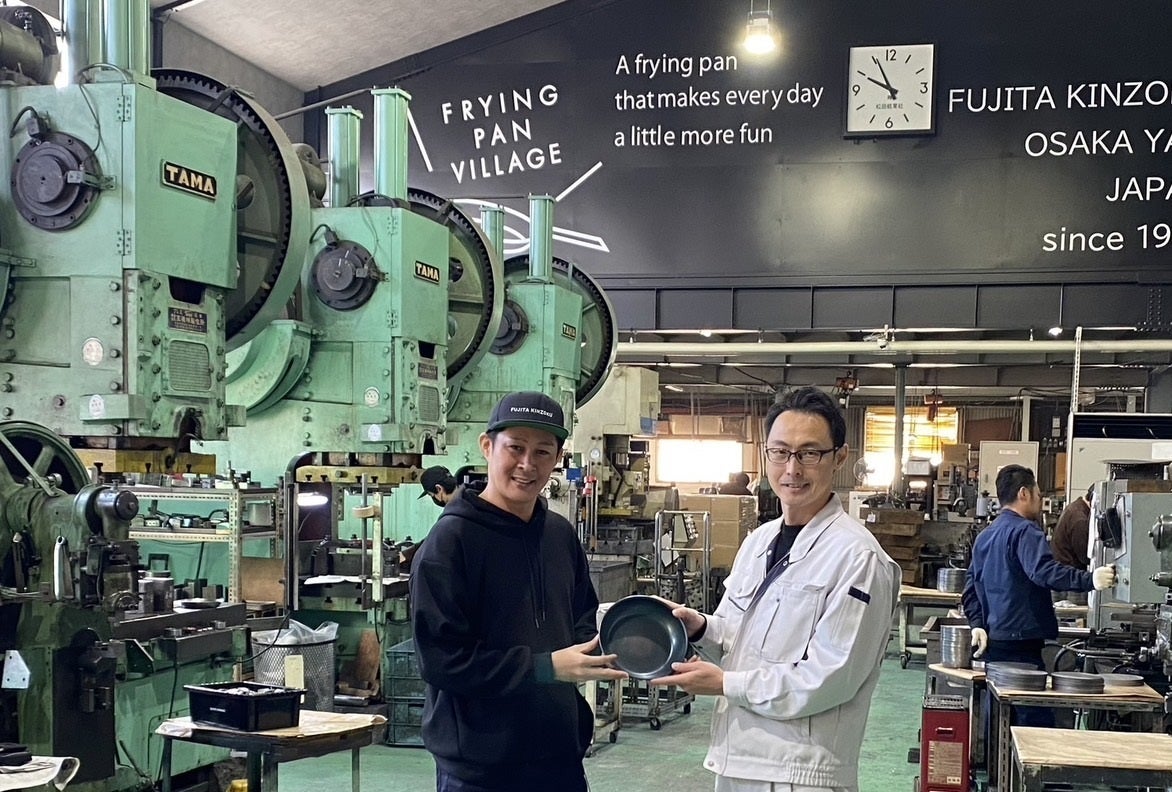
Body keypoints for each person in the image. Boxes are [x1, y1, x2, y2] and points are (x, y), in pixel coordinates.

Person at [650, 386, 900, 792]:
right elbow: (738, 640)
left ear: (839, 458)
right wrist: (700, 628)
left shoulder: (858, 558)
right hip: (738, 758)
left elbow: (831, 676)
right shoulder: (758, 542)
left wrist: (726, 684)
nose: (792, 469)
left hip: (802, 773)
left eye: (809, 453)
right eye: (780, 452)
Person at [410, 391, 626, 792]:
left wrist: (621, 645)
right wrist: (546, 667)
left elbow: (581, 617)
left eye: (543, 451)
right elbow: (442, 661)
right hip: (480, 768)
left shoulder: (559, 535)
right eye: (516, 448)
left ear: (557, 458)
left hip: (559, 758)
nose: (528, 464)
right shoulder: (450, 543)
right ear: (487, 446)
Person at [962, 465, 1116, 726]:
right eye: (1037, 493)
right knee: (1032, 722)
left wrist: (977, 623)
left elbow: (970, 588)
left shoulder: (986, 535)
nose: (1040, 499)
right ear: (1024, 493)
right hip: (1022, 645)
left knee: (998, 717)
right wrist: (1090, 580)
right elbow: (1044, 572)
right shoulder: (1025, 531)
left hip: (995, 642)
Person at [1050, 484, 1093, 569]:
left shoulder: (1076, 506)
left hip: (1061, 567)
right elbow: (1085, 557)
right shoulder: (1079, 519)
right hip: (1068, 570)